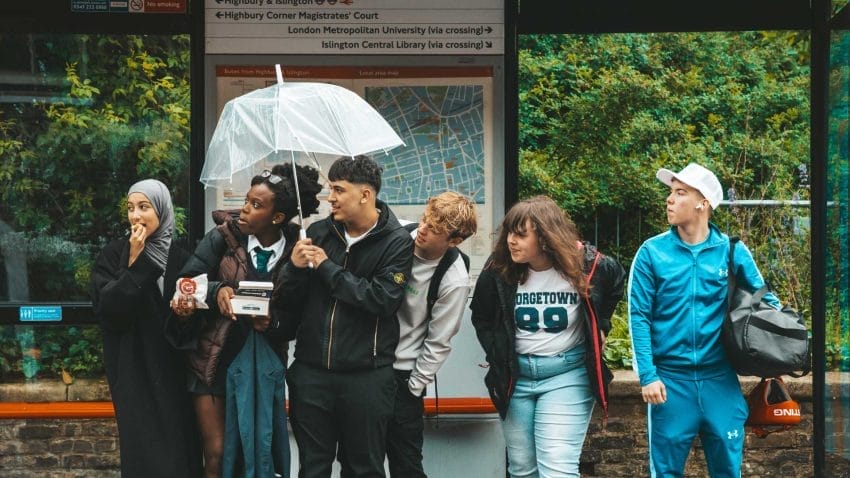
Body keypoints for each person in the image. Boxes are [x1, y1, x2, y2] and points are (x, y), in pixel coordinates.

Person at [168, 164, 322, 478]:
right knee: (218, 452)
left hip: (262, 365)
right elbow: (185, 281)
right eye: (247, 200)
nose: (244, 209)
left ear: (277, 218)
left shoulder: (296, 251)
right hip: (213, 361)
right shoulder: (222, 238)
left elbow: (297, 316)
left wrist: (273, 323)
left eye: (256, 205)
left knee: (256, 450)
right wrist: (216, 292)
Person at [628, 162, 780, 477]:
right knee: (665, 472)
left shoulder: (732, 251)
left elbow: (767, 304)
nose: (669, 199)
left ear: (703, 203)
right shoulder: (651, 253)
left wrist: (770, 351)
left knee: (727, 470)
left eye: (680, 192)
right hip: (670, 383)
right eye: (670, 192)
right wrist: (648, 375)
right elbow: (639, 316)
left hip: (720, 382)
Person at [275, 155, 414, 478]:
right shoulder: (318, 233)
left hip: (367, 377)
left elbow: (381, 299)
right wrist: (293, 268)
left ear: (366, 195)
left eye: (339, 190)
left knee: (363, 469)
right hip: (311, 374)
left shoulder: (396, 242)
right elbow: (288, 299)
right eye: (330, 189)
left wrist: (327, 268)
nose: (330, 198)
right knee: (313, 468)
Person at [470, 195, 625, 478]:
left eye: (520, 235)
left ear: (544, 237)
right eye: (509, 234)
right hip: (516, 378)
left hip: (567, 375)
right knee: (522, 468)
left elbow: (616, 281)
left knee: (557, 467)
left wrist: (602, 323)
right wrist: (498, 352)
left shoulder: (586, 265)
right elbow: (480, 314)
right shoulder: (498, 269)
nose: (511, 241)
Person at [90, 179, 202, 477]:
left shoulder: (182, 257)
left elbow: (195, 324)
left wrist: (184, 315)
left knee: (178, 451)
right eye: (130, 208)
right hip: (132, 368)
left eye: (144, 207)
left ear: (162, 211)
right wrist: (135, 263)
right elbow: (109, 311)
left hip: (173, 370)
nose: (135, 216)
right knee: (142, 451)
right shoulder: (114, 254)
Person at [387, 191, 478, 477]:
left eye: (435, 229)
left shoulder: (453, 278)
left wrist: (413, 387)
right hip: (366, 366)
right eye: (425, 220)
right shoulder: (397, 234)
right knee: (362, 460)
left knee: (406, 463)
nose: (423, 230)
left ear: (454, 240)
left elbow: (439, 341)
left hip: (403, 374)